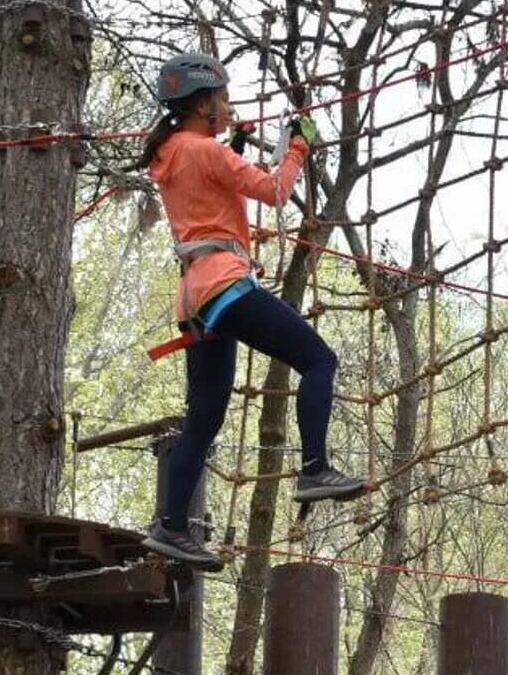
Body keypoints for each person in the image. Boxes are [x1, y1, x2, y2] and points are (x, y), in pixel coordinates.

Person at [135, 53, 366, 571]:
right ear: (202, 104)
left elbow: (208, 193)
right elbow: (275, 190)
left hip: (194, 298)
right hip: (225, 286)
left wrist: (233, 145)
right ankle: (314, 468)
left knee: (207, 414)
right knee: (318, 360)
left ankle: (171, 526)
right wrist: (300, 146)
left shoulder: (172, 153)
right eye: (222, 99)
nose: (229, 106)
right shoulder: (203, 150)